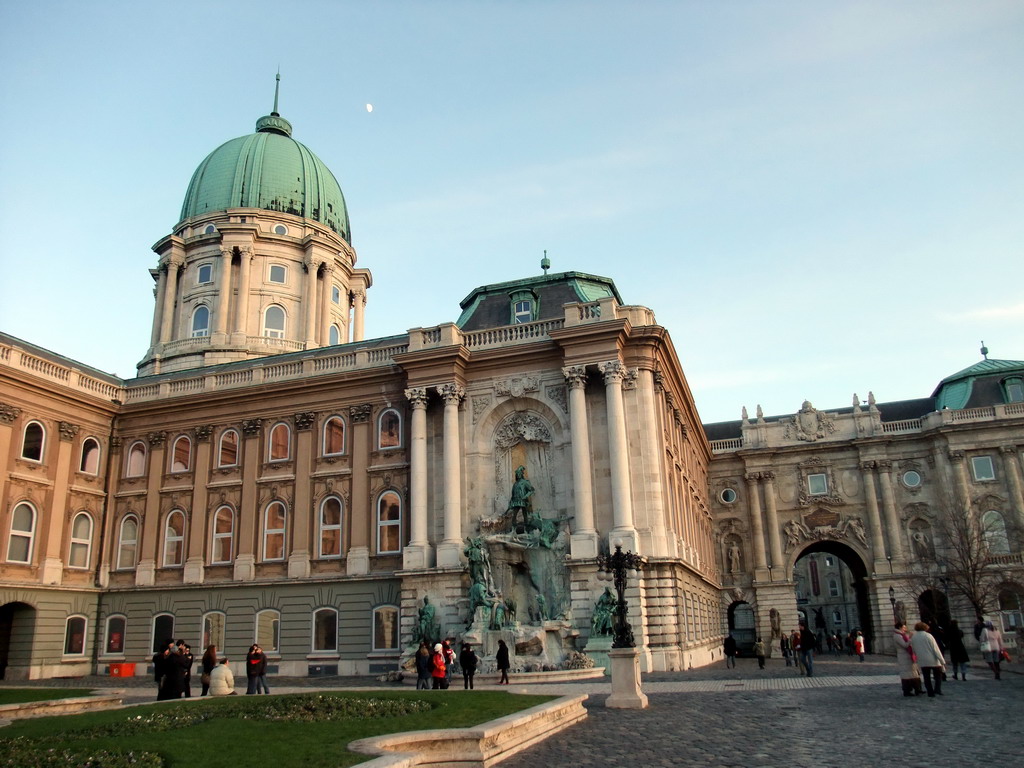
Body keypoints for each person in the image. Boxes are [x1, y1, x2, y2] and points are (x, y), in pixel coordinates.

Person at [909, 621, 946, 697]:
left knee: (926, 677)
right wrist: (942, 660)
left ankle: (930, 692)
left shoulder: (914, 637)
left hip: (922, 659)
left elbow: (914, 649)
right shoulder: (928, 636)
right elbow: (935, 649)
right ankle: (937, 689)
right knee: (938, 675)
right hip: (932, 659)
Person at [893, 621, 922, 697]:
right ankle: (908, 690)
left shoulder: (902, 635)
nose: (905, 628)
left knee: (913, 673)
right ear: (900, 627)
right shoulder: (897, 636)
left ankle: (917, 689)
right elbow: (905, 645)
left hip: (908, 656)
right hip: (903, 656)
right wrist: (910, 638)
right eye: (904, 627)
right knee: (907, 674)